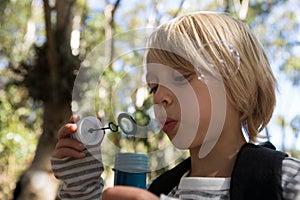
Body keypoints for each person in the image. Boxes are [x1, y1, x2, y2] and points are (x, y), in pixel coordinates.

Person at [51, 11, 300, 200]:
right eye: (154, 87)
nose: (160, 98)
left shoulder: (285, 179)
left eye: (181, 77)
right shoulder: (160, 190)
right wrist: (81, 184)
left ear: (236, 80)